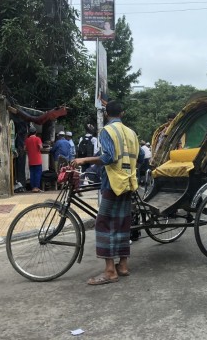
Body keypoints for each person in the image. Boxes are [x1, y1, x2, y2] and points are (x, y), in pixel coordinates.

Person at [70, 101, 144, 285]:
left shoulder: (107, 131)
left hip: (112, 182)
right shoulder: (132, 133)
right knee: (122, 222)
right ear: (123, 113)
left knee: (104, 224)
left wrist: (84, 159)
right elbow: (141, 156)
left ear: (105, 114)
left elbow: (108, 157)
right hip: (128, 182)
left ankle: (110, 271)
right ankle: (123, 266)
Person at [24, 125, 43, 193]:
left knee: (32, 174)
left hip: (31, 160)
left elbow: (25, 149)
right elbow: (40, 147)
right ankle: (37, 187)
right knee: (38, 173)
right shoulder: (38, 139)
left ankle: (33, 188)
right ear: (35, 132)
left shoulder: (27, 140)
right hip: (38, 159)